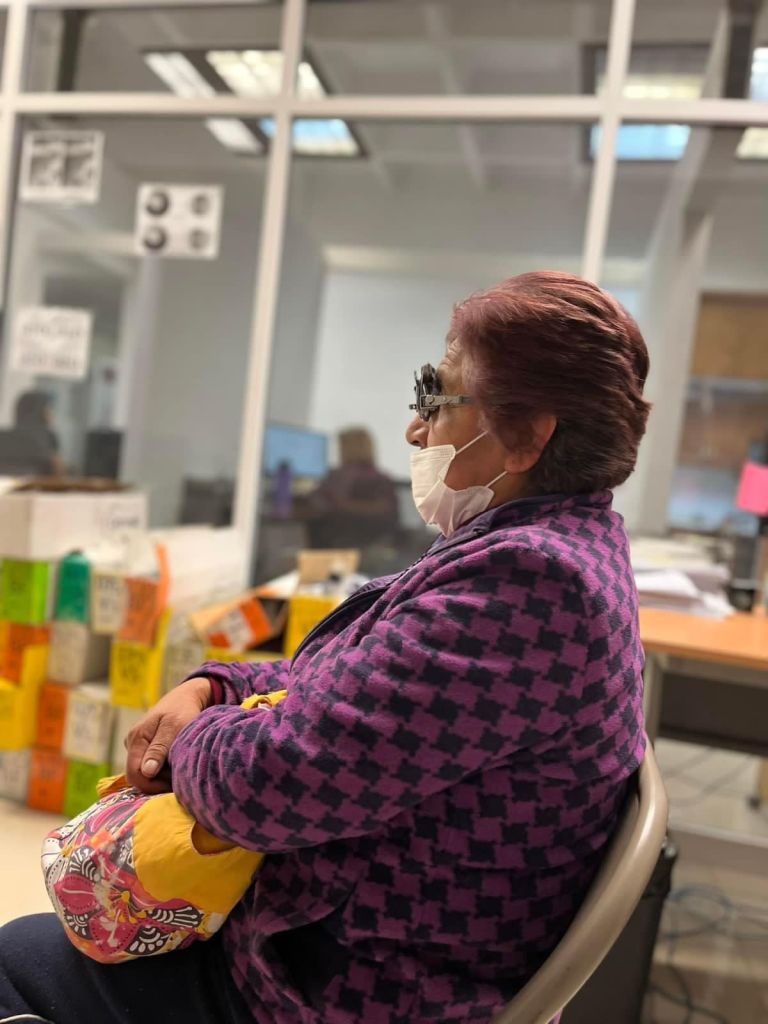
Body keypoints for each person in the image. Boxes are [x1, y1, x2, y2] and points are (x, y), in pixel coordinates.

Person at [0, 271, 651, 1024]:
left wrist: (193, 737)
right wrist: (216, 685)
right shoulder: (552, 548)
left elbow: (264, 787)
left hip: (335, 991)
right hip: (351, 944)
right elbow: (343, 676)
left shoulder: (528, 589)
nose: (415, 430)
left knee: (14, 960)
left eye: (435, 397)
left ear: (529, 436)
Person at [305, 427, 400, 550]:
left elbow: (318, 503)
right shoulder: (383, 477)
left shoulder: (342, 475)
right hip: (374, 543)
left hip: (341, 541)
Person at [0, 390, 64, 477]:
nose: (51, 413)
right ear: (40, 411)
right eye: (48, 408)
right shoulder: (47, 437)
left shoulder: (3, 437)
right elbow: (58, 472)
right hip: (39, 484)